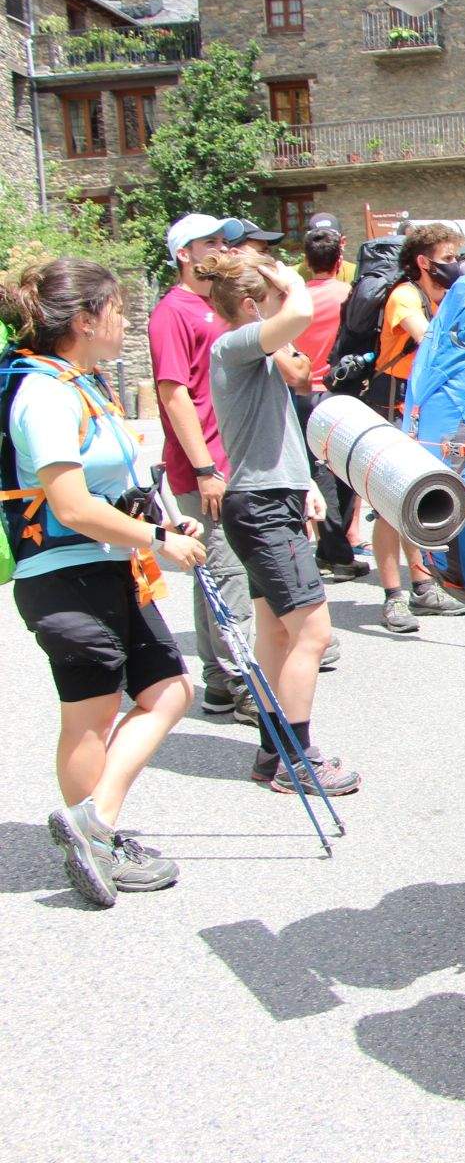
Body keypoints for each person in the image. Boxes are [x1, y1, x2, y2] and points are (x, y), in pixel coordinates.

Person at [3, 258, 207, 907]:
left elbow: (108, 483)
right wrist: (158, 539)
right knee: (90, 720)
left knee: (169, 690)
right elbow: (70, 506)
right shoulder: (45, 395)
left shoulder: (77, 381)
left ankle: (92, 822)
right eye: (117, 310)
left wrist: (156, 522)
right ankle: (96, 835)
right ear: (86, 321)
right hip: (68, 578)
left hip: (107, 570)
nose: (124, 322)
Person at [197, 251, 361, 796]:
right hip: (263, 509)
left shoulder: (253, 354)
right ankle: (299, 757)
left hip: (270, 499)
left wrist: (306, 485)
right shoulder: (234, 343)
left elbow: (280, 416)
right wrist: (289, 279)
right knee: (314, 632)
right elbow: (297, 318)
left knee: (275, 630)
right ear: (250, 306)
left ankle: (273, 752)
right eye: (267, 301)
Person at [149, 213, 258, 725]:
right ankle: (241, 685)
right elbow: (173, 393)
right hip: (205, 465)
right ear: (183, 255)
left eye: (222, 240)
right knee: (227, 570)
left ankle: (218, 682)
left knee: (212, 571)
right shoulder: (172, 311)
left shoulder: (214, 304)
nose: (220, 248)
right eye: (207, 242)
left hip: (228, 457)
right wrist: (204, 467)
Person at [368, 222, 465, 633]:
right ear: (424, 262)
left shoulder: (439, 296)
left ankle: (423, 584)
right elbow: (428, 340)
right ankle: (393, 596)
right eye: (447, 259)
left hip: (420, 411)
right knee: (388, 506)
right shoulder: (405, 296)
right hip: (391, 408)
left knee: (415, 497)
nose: (454, 266)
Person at [293, 226, 364, 583]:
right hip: (340, 391)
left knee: (315, 472)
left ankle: (328, 549)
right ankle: (338, 554)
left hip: (302, 393)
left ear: (307, 261)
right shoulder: (349, 296)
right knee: (344, 473)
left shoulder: (295, 300)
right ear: (340, 260)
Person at [295, 214, 356, 284]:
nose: (322, 245)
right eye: (317, 239)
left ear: (342, 242)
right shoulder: (290, 276)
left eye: (329, 240)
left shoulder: (356, 274)